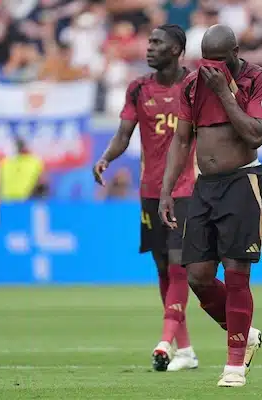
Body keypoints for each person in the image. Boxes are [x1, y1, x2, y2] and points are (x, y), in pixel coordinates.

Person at [159, 24, 262, 387]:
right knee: (198, 276)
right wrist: (166, 190)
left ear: (235, 53)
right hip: (204, 187)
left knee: (236, 272)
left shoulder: (258, 81)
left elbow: (256, 134)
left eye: (218, 61)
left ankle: (234, 365)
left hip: (242, 183)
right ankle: (244, 333)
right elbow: (181, 141)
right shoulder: (192, 85)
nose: (210, 68)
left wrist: (225, 94)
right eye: (205, 61)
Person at [93, 24, 199, 372]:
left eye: (157, 43)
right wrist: (107, 158)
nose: (149, 47)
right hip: (150, 192)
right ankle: (186, 350)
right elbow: (124, 133)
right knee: (163, 268)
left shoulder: (194, 86)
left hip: (185, 190)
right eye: (149, 41)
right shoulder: (138, 88)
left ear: (176, 50)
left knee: (179, 264)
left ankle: (164, 342)